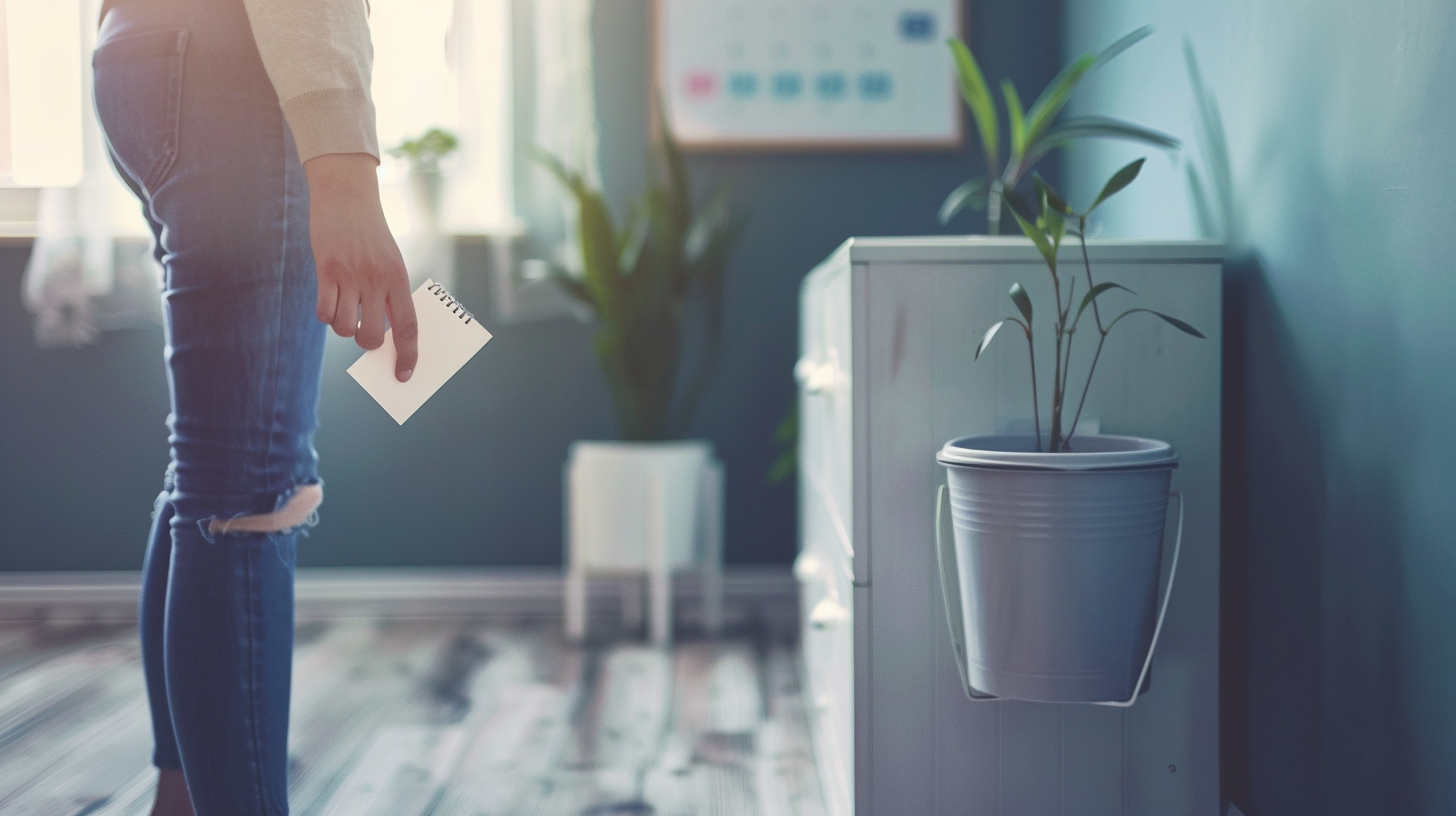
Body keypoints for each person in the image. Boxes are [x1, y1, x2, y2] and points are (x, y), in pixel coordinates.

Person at [92, 0, 413, 813]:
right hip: (239, 68)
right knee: (247, 492)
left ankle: (182, 796)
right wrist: (343, 168)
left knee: (209, 474)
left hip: (146, 55)